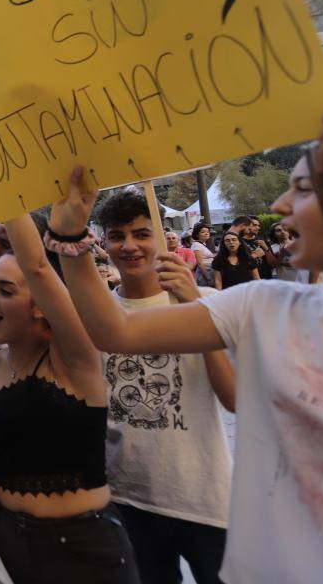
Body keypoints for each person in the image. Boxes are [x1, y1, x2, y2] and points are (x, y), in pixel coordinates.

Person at [45, 89, 323, 584]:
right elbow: (114, 329)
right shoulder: (263, 304)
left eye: (304, 189)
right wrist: (70, 239)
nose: (280, 204)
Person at [0, 214, 140, 583]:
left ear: (42, 304)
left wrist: (8, 197)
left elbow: (39, 267)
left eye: (6, 290)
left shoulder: (75, 359)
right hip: (3, 540)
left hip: (83, 550)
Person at [95, 191, 235, 584]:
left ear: (162, 236)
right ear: (104, 242)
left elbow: (235, 398)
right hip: (127, 499)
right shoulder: (99, 315)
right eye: (117, 236)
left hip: (204, 499)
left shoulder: (208, 301)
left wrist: (197, 309)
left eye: (142, 234)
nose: (129, 245)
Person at [189, 223, 215, 287]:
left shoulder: (203, 244)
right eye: (203, 232)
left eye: (207, 232)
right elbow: (200, 263)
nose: (206, 233)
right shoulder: (196, 245)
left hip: (210, 272)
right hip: (204, 274)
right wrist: (208, 278)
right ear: (197, 234)